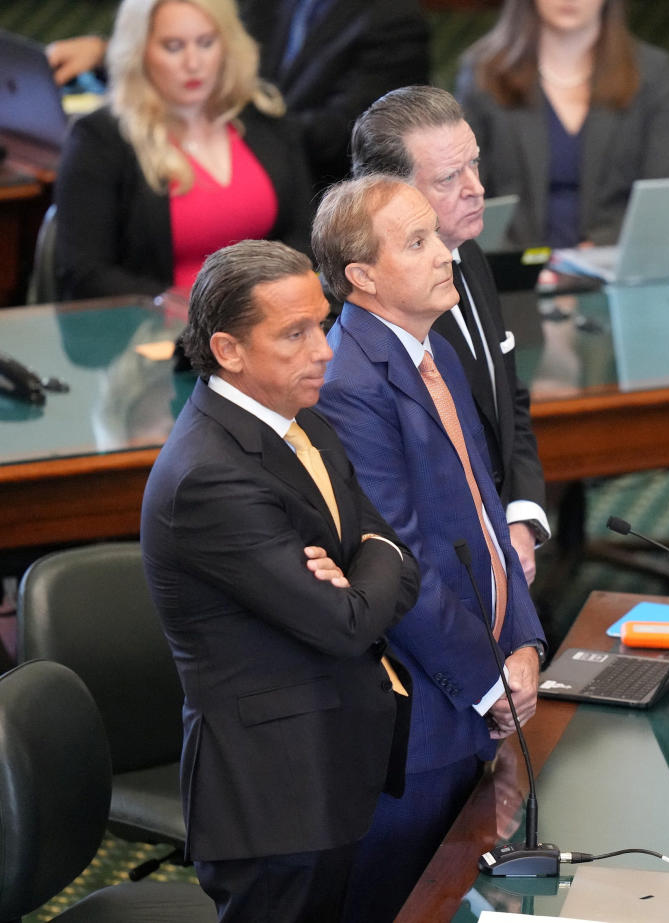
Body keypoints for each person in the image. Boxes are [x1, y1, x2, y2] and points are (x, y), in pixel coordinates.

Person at [140, 238, 420, 922]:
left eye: (321, 325)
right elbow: (346, 622)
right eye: (294, 334)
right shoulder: (209, 476)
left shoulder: (304, 423)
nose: (324, 349)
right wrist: (364, 571)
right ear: (230, 350)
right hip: (274, 800)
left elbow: (399, 553)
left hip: (330, 764)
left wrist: (362, 566)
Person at [311, 175, 546, 922]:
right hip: (422, 715)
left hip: (479, 693)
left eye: (435, 235)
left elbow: (485, 512)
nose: (447, 252)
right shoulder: (350, 381)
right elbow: (399, 558)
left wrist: (527, 639)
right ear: (363, 276)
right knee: (406, 902)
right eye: (417, 242)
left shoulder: (428, 346)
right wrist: (489, 678)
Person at [350, 85, 549, 583]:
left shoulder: (470, 255)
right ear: (388, 195)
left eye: (474, 165)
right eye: (448, 178)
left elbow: (509, 401)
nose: (476, 188)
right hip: (438, 575)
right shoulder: (377, 308)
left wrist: (521, 517)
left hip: (502, 553)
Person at [52, 0, 314, 301]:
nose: (193, 63)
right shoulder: (99, 138)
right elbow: (84, 272)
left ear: (227, 45)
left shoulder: (265, 119)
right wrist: (193, 310)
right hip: (151, 330)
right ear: (139, 52)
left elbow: (303, 238)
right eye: (173, 47)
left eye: (206, 43)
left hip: (264, 323)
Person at [46, 0, 430, 188]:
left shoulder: (394, 21)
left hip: (315, 196)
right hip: (225, 161)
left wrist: (226, 130)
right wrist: (111, 55)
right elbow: (213, 64)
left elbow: (344, 134)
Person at [455, 0, 669, 248]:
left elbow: (664, 193)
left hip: (614, 262)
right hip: (512, 264)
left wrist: (597, 253)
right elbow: (464, 192)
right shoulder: (485, 71)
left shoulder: (653, 74)